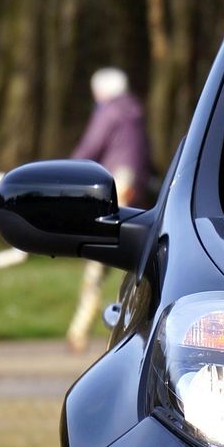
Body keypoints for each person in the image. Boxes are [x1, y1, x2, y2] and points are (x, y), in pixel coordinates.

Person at [65, 67, 152, 352]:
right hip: (133, 187)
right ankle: (126, 320)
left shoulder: (109, 112)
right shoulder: (136, 113)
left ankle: (82, 325)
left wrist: (68, 171)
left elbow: (91, 146)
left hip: (113, 185)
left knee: (96, 257)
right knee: (128, 260)